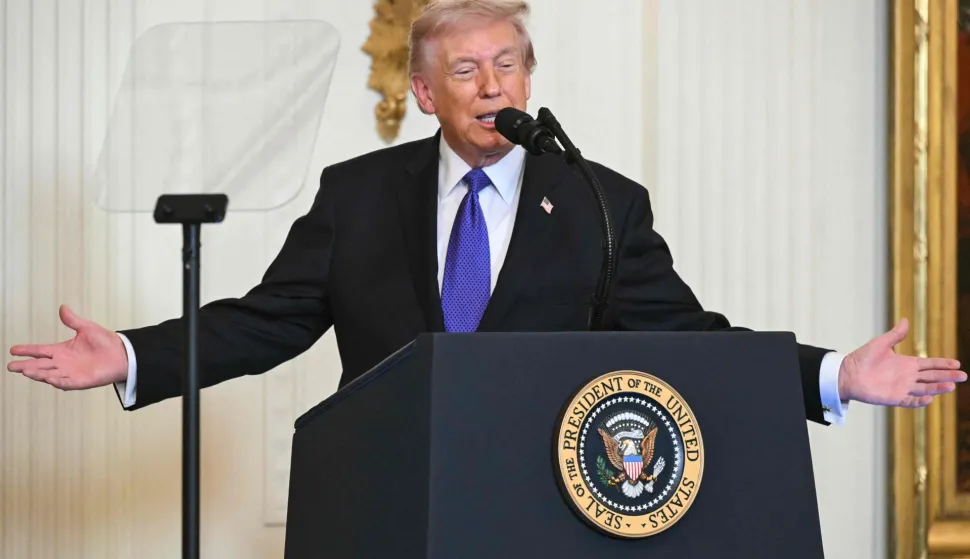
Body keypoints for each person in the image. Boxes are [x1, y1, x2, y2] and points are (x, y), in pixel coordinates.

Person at [6, 0, 966, 425]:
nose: (490, 82)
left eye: (507, 63)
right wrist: (132, 354)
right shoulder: (357, 195)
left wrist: (834, 374)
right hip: (387, 497)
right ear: (426, 93)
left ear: (529, 77)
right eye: (465, 68)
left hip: (542, 501)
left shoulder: (597, 200)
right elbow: (270, 323)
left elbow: (687, 338)